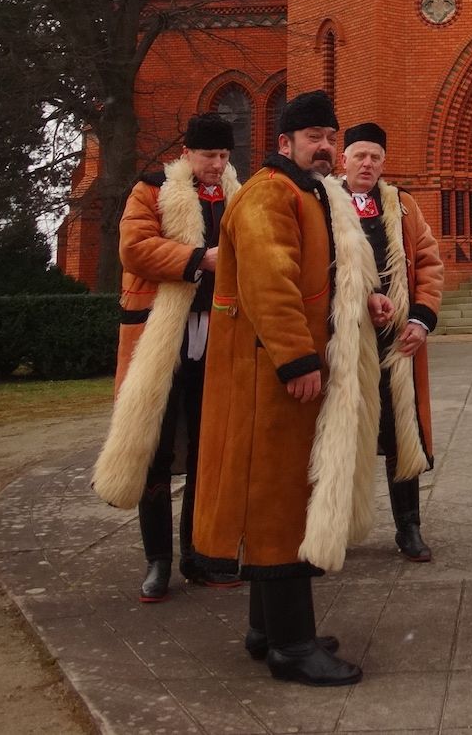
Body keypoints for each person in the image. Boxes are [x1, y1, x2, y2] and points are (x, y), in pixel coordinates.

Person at [190, 90, 392, 688]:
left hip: (283, 372)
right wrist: (297, 359)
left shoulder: (310, 195)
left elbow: (320, 273)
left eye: (330, 136)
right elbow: (269, 281)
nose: (326, 146)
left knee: (282, 499)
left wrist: (364, 299)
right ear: (284, 144)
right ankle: (292, 648)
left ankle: (266, 630)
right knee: (278, 503)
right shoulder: (267, 195)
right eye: (313, 138)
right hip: (268, 376)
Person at [92, 111, 242, 602]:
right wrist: (200, 259)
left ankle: (199, 555)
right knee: (153, 446)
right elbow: (135, 249)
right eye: (208, 156)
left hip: (218, 333)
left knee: (207, 446)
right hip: (161, 333)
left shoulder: (240, 198)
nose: (217, 165)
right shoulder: (151, 190)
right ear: (188, 154)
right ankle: (158, 562)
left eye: (223, 156)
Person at [342, 121, 444, 561]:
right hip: (343, 339)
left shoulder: (402, 205)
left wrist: (420, 319)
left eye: (375, 158)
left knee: (402, 435)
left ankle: (409, 528)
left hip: (396, 340)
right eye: (360, 155)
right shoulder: (322, 203)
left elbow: (429, 263)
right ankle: (334, 527)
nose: (367, 164)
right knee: (339, 434)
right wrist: (359, 299)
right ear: (344, 158)